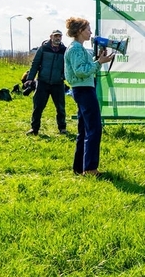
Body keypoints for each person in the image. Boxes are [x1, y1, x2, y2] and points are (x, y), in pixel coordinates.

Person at [64, 17, 113, 176]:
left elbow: (84, 67)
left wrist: (98, 59)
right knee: (94, 129)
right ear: (79, 31)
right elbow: (81, 71)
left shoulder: (77, 48)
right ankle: (91, 169)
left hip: (82, 89)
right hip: (84, 90)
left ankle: (80, 168)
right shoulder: (76, 48)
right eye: (88, 29)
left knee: (84, 130)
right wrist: (99, 62)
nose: (90, 32)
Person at [24, 29, 68, 135]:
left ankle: (62, 128)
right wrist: (30, 78)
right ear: (51, 37)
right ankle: (34, 129)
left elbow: (67, 66)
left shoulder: (64, 50)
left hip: (58, 83)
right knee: (38, 107)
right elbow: (35, 63)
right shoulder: (43, 48)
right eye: (56, 36)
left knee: (60, 108)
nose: (58, 38)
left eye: (59, 36)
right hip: (43, 82)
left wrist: (63, 76)